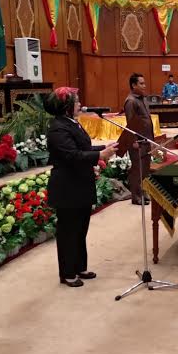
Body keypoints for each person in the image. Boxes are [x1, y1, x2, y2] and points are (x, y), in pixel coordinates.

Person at [45, 87, 118, 287]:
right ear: (66, 107)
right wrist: (99, 156)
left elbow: (82, 148)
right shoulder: (58, 128)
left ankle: (79, 267)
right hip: (67, 185)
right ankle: (67, 273)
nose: (80, 104)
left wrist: (104, 148)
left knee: (80, 228)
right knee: (68, 231)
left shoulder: (72, 123)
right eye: (76, 101)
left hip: (80, 182)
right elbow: (71, 155)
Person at [119, 73, 154, 205]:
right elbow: (131, 123)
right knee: (137, 169)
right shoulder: (131, 101)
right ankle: (136, 196)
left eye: (144, 83)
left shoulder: (143, 99)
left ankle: (143, 192)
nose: (144, 86)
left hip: (146, 139)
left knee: (145, 168)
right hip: (137, 141)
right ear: (134, 85)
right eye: (141, 83)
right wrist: (134, 141)